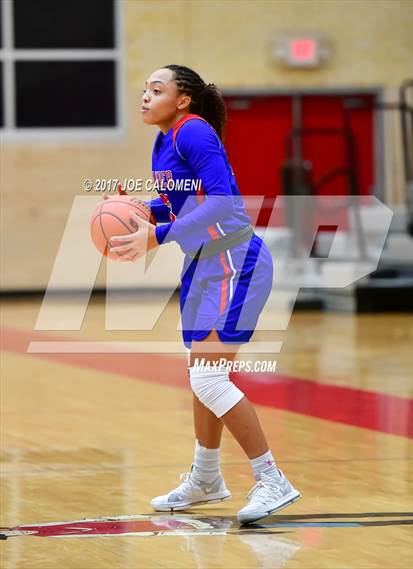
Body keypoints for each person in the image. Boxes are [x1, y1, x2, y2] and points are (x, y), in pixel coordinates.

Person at [109, 64, 301, 524]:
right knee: (202, 380)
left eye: (157, 90)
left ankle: (272, 479)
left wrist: (158, 235)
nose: (145, 96)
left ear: (183, 100)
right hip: (204, 264)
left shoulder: (193, 133)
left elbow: (222, 202)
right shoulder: (164, 139)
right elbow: (184, 201)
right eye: (144, 89)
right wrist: (138, 209)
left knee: (209, 381)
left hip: (233, 260)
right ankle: (207, 477)